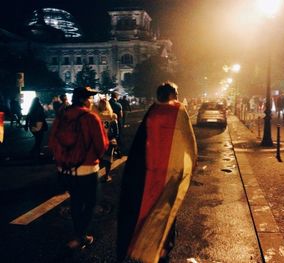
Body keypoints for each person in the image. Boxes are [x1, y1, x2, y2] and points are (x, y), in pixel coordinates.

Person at [116, 82, 197, 263]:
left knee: (148, 210)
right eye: (176, 93)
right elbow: (189, 144)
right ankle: (162, 249)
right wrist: (190, 168)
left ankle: (144, 247)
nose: (177, 96)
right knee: (167, 211)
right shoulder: (178, 111)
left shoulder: (152, 112)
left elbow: (140, 145)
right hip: (170, 174)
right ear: (171, 95)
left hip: (148, 173)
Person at [49, 86, 109, 250]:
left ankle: (78, 233)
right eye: (89, 98)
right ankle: (80, 236)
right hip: (87, 170)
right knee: (90, 203)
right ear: (83, 99)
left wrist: (64, 160)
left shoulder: (62, 116)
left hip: (66, 170)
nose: (91, 101)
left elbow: (52, 141)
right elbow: (101, 145)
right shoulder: (90, 117)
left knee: (75, 200)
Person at [92, 98, 116, 183]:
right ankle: (105, 176)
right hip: (106, 138)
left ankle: (103, 176)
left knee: (103, 158)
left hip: (100, 139)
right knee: (107, 159)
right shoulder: (111, 115)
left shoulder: (94, 114)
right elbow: (115, 129)